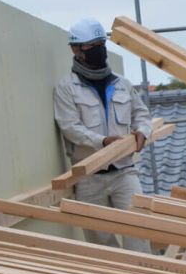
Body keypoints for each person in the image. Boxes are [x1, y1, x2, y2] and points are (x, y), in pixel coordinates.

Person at [53, 17, 153, 253]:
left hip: (124, 171)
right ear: (76, 50)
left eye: (101, 44)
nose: (99, 50)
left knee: (139, 232)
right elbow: (69, 126)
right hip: (89, 176)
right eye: (92, 47)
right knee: (101, 245)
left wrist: (143, 131)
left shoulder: (122, 84)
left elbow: (142, 115)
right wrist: (102, 142)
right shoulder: (67, 88)